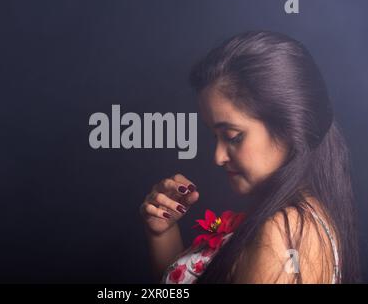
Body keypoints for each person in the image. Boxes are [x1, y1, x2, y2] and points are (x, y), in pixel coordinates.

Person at [139, 31, 360, 284]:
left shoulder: (282, 233)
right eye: (215, 137)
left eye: (233, 136)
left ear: (288, 128)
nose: (218, 157)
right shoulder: (300, 220)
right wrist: (162, 233)